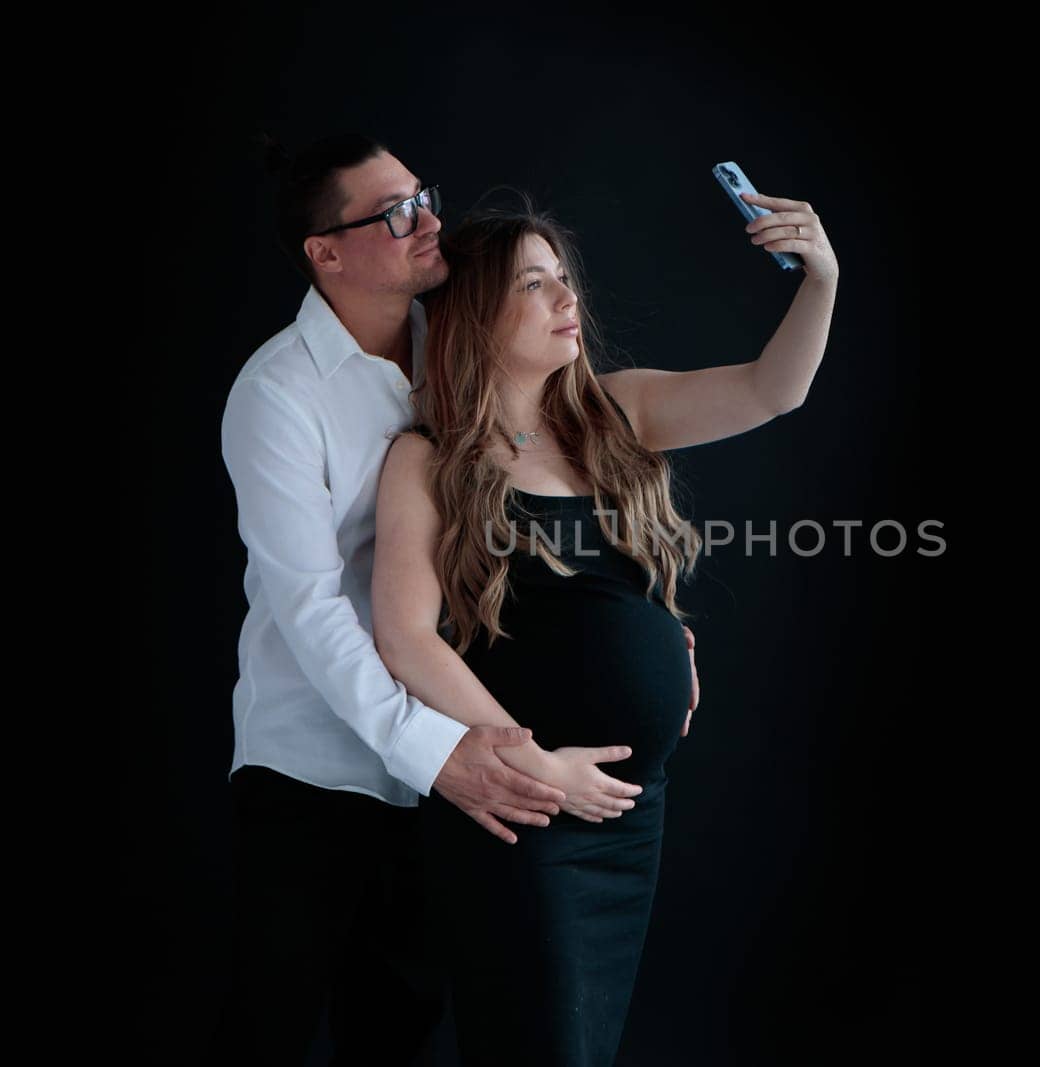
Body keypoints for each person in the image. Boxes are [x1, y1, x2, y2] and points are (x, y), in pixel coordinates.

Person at [210, 133, 701, 1065]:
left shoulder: (461, 335)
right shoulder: (277, 394)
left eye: (422, 194)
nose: (429, 219)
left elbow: (558, 499)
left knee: (401, 1033)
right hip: (322, 769)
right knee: (267, 1027)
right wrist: (448, 755)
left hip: (453, 773)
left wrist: (649, 618)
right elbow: (317, 610)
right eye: (394, 213)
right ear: (327, 252)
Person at [372, 189, 838, 1064]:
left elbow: (775, 390)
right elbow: (405, 637)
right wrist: (533, 763)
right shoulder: (428, 457)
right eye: (535, 285)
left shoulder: (614, 413)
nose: (567, 299)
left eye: (565, 280)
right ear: (477, 310)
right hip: (524, 806)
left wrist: (823, 279)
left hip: (630, 817)